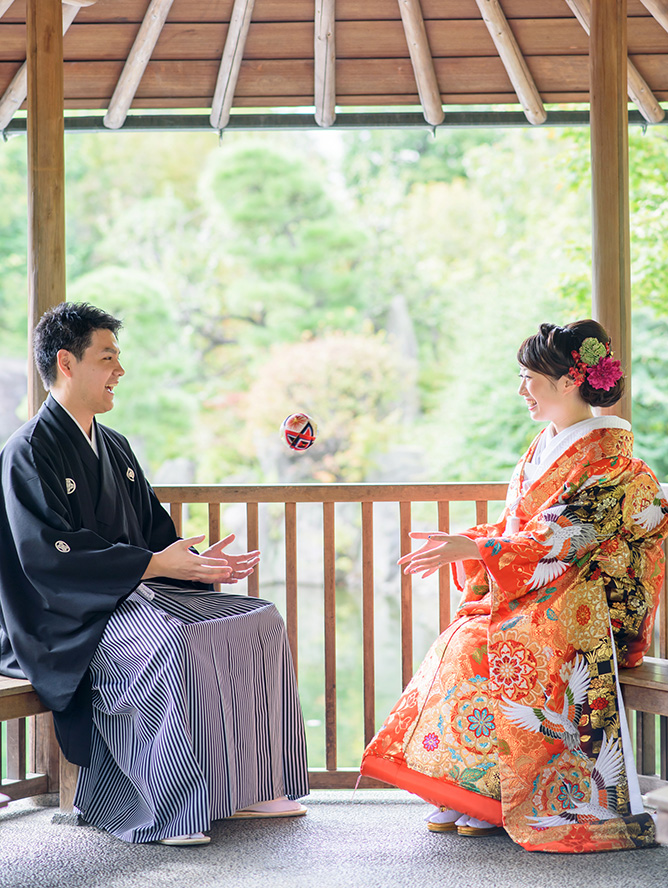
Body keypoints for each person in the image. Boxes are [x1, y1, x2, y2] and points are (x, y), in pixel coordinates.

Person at [0, 302, 308, 845]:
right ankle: (164, 810)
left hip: (128, 596)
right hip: (59, 619)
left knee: (255, 618)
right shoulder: (27, 451)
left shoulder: (113, 445)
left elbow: (153, 532)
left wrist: (194, 563)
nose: (120, 371)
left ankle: (253, 784)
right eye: (108, 358)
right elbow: (47, 555)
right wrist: (154, 564)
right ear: (67, 363)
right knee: (170, 643)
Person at [361, 320, 668, 853]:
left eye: (530, 378)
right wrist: (471, 542)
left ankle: (502, 797)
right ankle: (474, 793)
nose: (522, 389)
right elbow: (518, 532)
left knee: (492, 642)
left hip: (591, 605)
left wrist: (480, 551)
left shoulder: (615, 463)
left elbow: (565, 535)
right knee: (466, 638)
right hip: (547, 591)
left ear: (569, 381)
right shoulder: (543, 449)